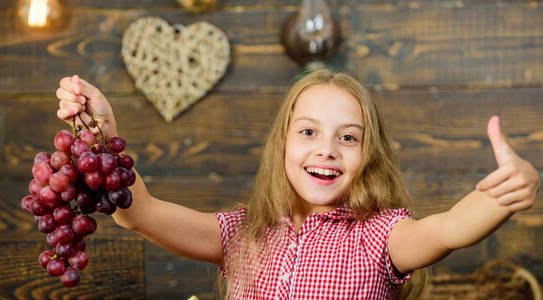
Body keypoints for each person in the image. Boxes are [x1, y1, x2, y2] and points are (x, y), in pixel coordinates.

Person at [55, 69, 540, 299]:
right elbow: (141, 212)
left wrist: (501, 195)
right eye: (308, 131)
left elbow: (445, 231)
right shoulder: (241, 235)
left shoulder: (379, 237)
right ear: (282, 144)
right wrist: (104, 135)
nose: (326, 149)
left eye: (347, 137)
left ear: (368, 155)